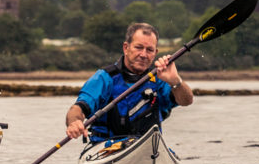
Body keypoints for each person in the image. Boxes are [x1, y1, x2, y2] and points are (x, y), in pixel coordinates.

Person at [65, 22, 193, 144]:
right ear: (126, 48)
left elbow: (186, 101)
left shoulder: (159, 79)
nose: (143, 54)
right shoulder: (104, 78)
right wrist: (74, 123)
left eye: (149, 50)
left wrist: (176, 81)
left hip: (149, 146)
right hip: (106, 147)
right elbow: (78, 109)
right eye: (138, 47)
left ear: (155, 53)